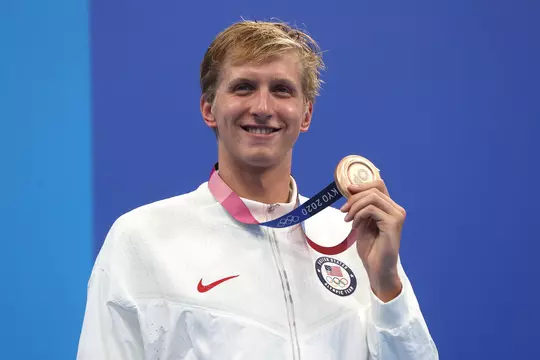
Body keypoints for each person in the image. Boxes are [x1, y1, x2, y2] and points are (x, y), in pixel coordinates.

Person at [77, 20, 439, 359]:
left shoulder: (353, 236)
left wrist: (387, 284)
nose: (263, 107)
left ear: (306, 114)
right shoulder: (142, 239)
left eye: (281, 90)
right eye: (243, 87)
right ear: (209, 109)